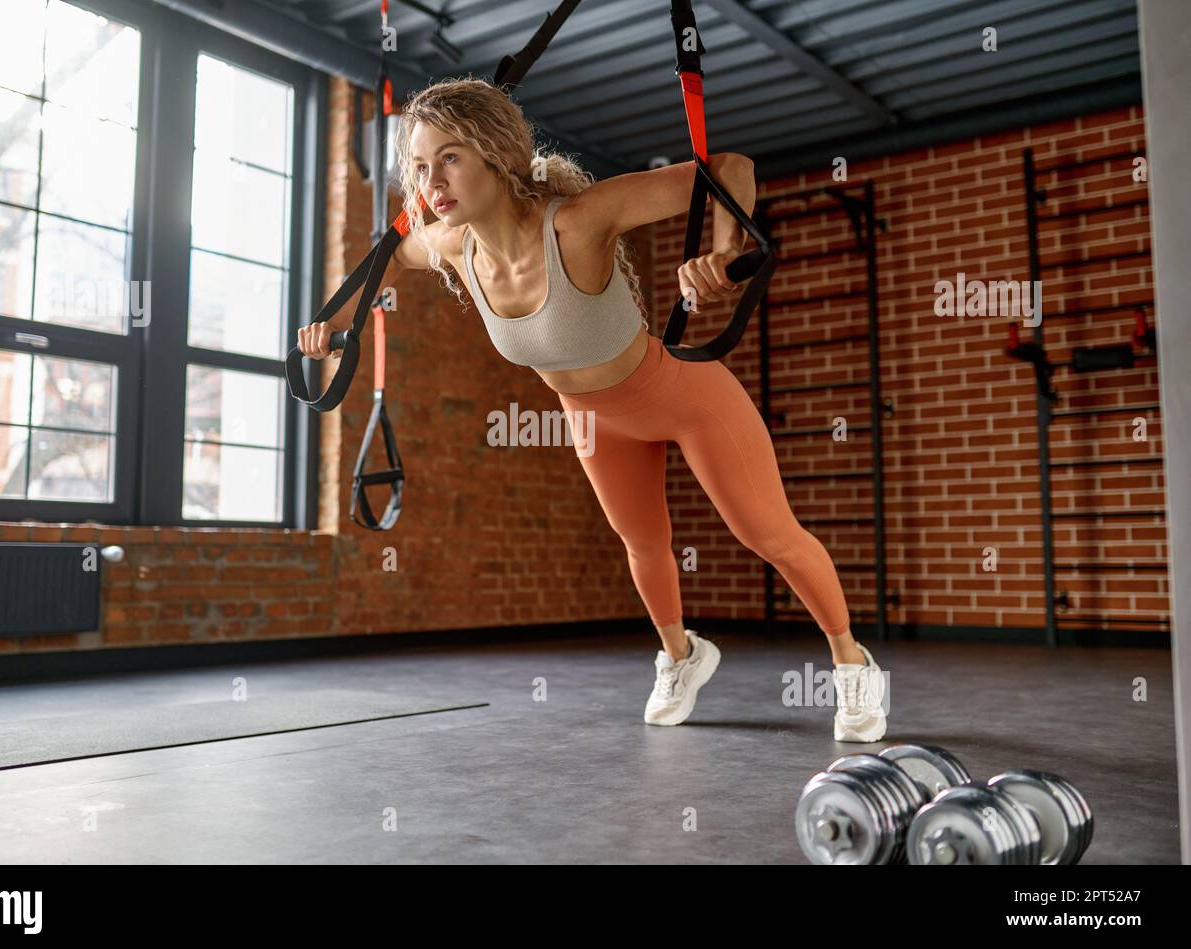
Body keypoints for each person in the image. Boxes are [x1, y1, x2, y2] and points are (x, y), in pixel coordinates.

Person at [298, 78, 886, 740]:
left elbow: (729, 170)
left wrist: (724, 251)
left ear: (495, 153)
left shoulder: (579, 221)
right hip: (594, 417)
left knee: (767, 536)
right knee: (642, 544)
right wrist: (331, 327)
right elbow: (385, 265)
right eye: (422, 165)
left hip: (684, 398)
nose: (433, 181)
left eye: (451, 157)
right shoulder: (450, 245)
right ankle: (682, 656)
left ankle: (851, 664)